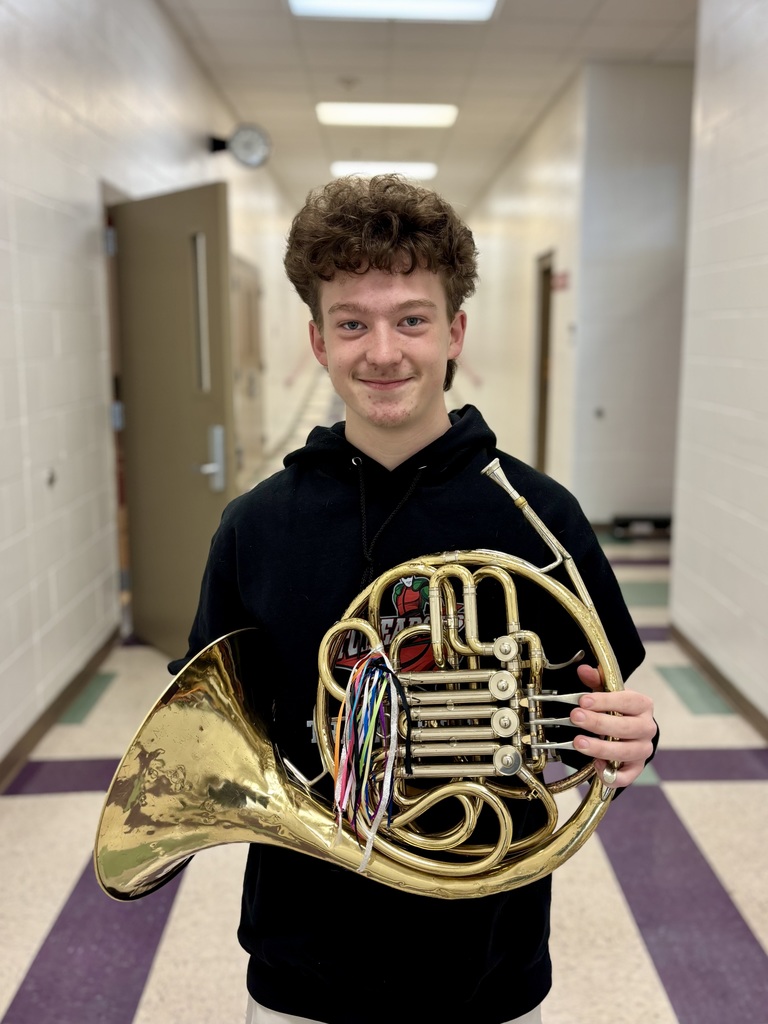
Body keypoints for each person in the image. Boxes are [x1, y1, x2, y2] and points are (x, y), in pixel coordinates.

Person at [169, 174, 657, 1024]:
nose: (383, 351)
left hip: (487, 956)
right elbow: (201, 723)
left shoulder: (539, 517)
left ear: (455, 332)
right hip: (302, 958)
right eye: (352, 323)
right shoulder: (255, 527)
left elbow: (600, 707)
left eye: (412, 319)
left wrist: (630, 735)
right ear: (317, 341)